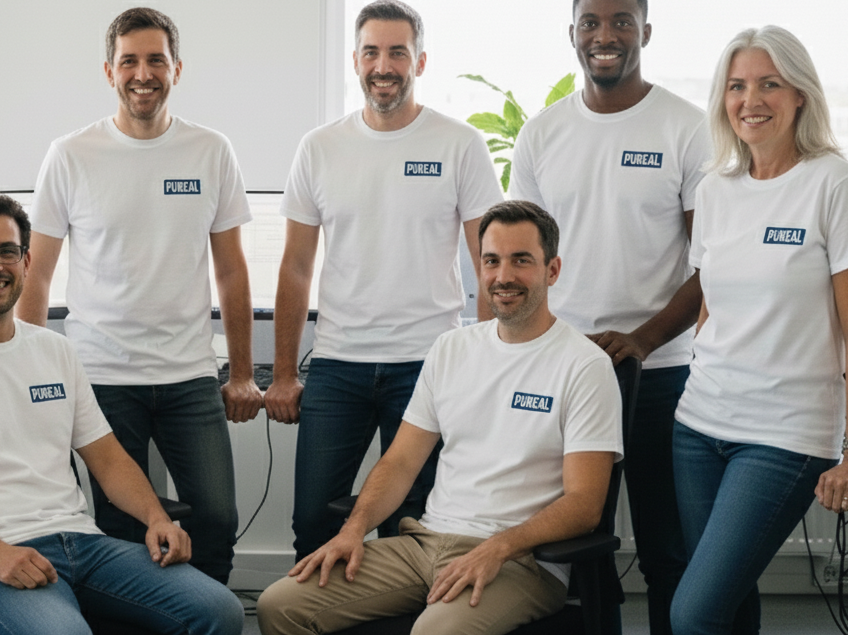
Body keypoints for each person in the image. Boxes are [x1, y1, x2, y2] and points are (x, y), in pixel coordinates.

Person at [0, 191, 244, 635]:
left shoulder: (56, 351)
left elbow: (108, 460)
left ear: (27, 262)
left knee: (220, 610)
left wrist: (156, 518)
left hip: (85, 546)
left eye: (6, 252)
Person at [257, 200, 623, 635]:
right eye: (491, 261)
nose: (503, 276)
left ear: (552, 270)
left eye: (521, 260)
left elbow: (584, 505)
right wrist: (352, 530)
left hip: (520, 561)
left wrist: (499, 547)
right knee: (279, 605)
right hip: (424, 544)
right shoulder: (452, 350)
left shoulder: (584, 365)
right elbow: (400, 463)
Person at [16, 7, 259, 585]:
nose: (142, 74)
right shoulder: (71, 155)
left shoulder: (211, 150)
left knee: (217, 518)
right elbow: (37, 274)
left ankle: (209, 614)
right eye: (130, 61)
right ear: (109, 72)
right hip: (101, 377)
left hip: (189, 375)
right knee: (118, 529)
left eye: (156, 60)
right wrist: (23, 374)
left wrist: (243, 373)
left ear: (178, 68)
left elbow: (231, 269)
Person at [266, 0, 504, 559]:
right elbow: (296, 267)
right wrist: (281, 373)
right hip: (337, 366)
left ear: (420, 61)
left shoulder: (459, 144)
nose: (384, 65)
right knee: (312, 522)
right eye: (371, 52)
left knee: (413, 528)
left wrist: (490, 362)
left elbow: (487, 261)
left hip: (428, 364)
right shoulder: (319, 148)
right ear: (355, 60)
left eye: (398, 52)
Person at [508, 0, 707, 634]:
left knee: (667, 549)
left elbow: (714, 264)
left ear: (645, 32)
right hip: (568, 377)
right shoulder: (541, 134)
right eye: (591, 23)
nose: (605, 36)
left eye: (622, 22)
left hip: (663, 376)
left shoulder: (686, 128)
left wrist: (645, 339)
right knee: (573, 552)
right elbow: (523, 259)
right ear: (572, 35)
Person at [670, 26, 848, 635]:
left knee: (694, 612)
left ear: (800, 96)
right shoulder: (715, 189)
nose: (750, 99)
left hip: (783, 436)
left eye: (769, 83)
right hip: (698, 425)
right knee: (728, 602)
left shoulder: (835, 185)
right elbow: (712, 307)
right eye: (736, 86)